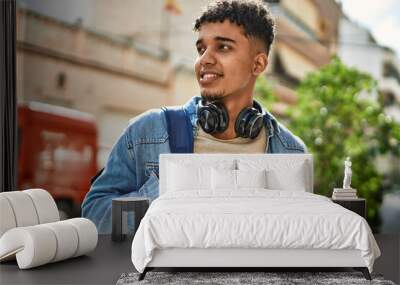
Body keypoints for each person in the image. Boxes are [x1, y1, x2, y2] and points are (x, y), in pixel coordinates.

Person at [82, 0, 307, 233]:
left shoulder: (290, 151)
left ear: (258, 64)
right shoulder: (148, 131)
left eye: (223, 47)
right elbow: (94, 215)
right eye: (201, 49)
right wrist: (169, 191)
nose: (204, 60)